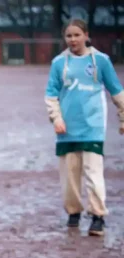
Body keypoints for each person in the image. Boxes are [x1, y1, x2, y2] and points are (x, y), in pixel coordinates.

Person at [44, 18, 124, 236]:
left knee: (93, 174)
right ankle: (74, 212)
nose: (73, 40)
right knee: (69, 178)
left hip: (93, 128)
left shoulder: (101, 61)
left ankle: (98, 216)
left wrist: (123, 117)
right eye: (68, 36)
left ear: (86, 35)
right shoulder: (59, 63)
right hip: (66, 131)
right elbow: (51, 95)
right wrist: (56, 118)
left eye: (77, 35)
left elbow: (117, 92)